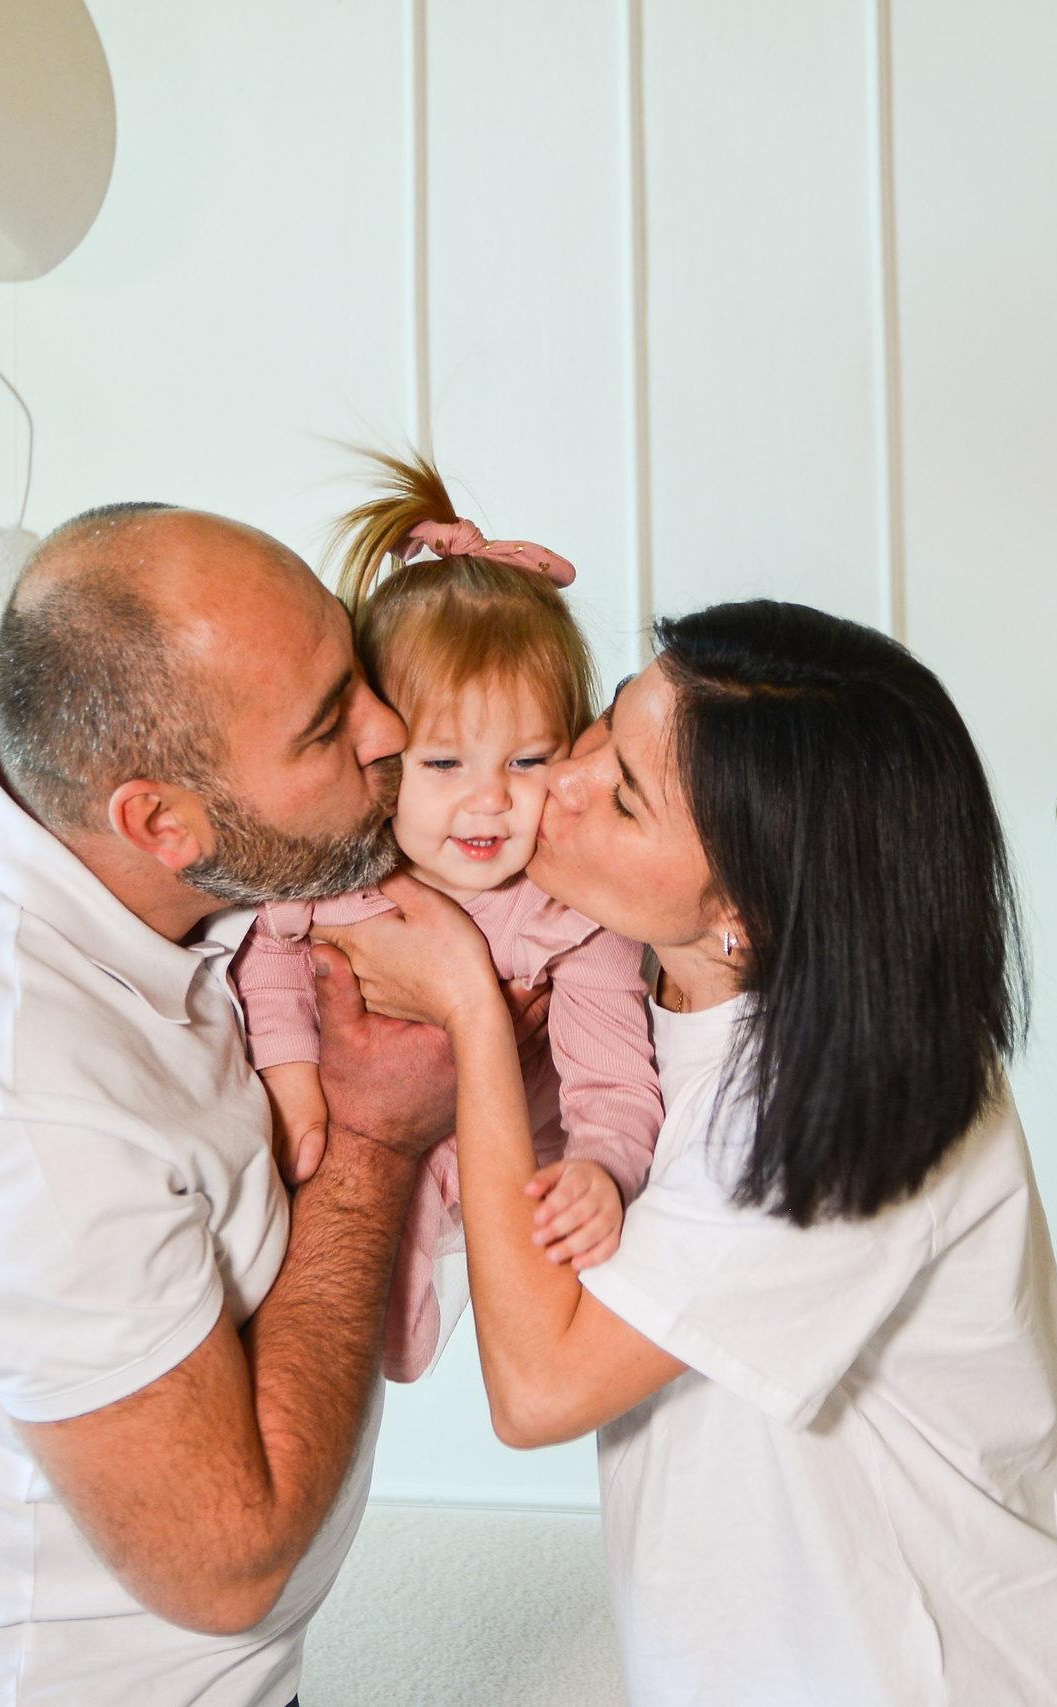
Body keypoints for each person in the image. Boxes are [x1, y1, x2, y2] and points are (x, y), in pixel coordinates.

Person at [317, 600, 1057, 1704]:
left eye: (619, 796)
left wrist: (467, 1012)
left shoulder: (851, 1104)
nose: (548, 784)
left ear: (743, 917)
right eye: (600, 728)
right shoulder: (625, 982)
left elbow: (539, 1387)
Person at [0, 502, 469, 1706]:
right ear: (159, 824)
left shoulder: (54, 761)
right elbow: (228, 1565)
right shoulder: (1, 1110)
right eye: (324, 726)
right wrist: (374, 1143)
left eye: (352, 665)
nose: (388, 726)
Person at [233, 452, 661, 1381]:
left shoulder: (571, 916)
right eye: (444, 764)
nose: (489, 803)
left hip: (494, 1177)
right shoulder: (339, 866)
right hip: (335, 1149)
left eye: (526, 760)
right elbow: (265, 953)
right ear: (380, 749)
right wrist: (292, 1075)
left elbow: (617, 1085)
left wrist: (605, 1170)